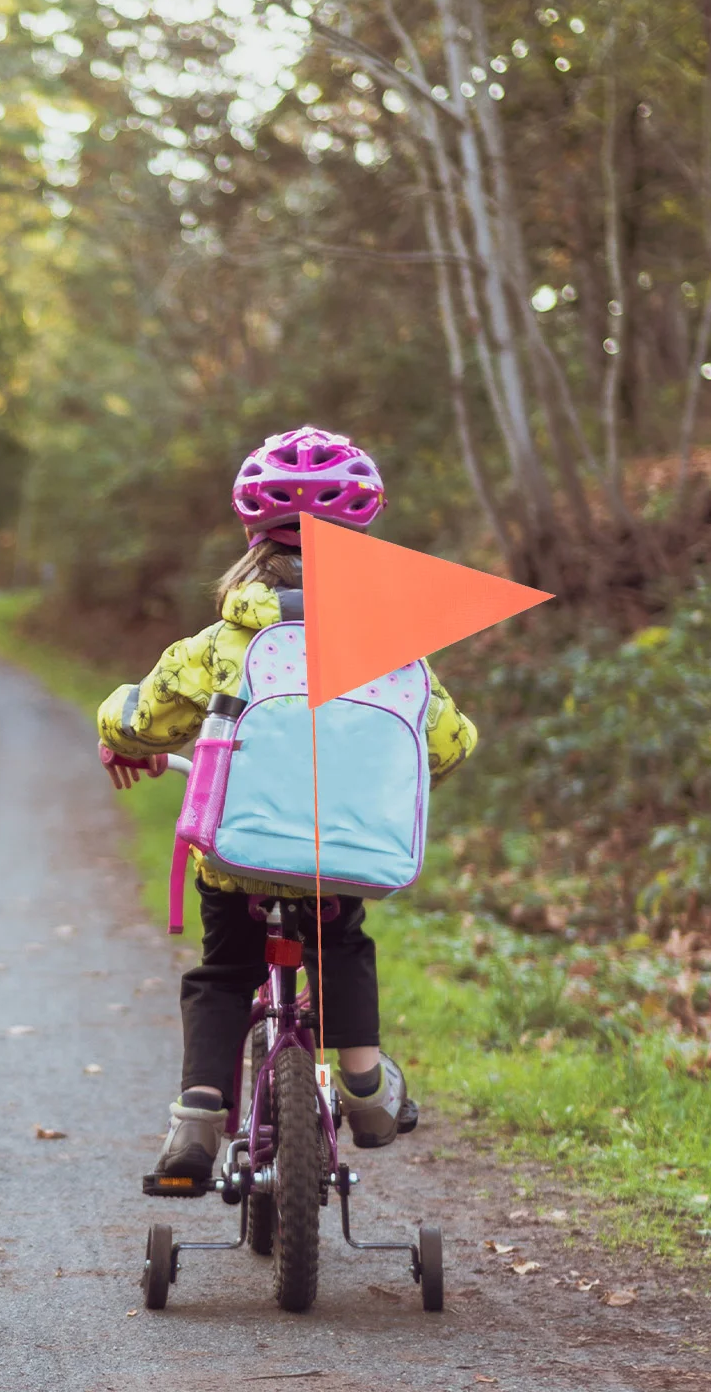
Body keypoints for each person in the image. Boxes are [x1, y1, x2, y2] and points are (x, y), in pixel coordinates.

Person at [95, 426, 480, 1188]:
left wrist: (118, 731)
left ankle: (198, 1120)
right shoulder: (395, 650)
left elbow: (145, 715)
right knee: (343, 943)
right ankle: (366, 1085)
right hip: (341, 864)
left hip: (239, 862)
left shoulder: (222, 644)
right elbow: (448, 743)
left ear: (251, 540)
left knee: (223, 971)